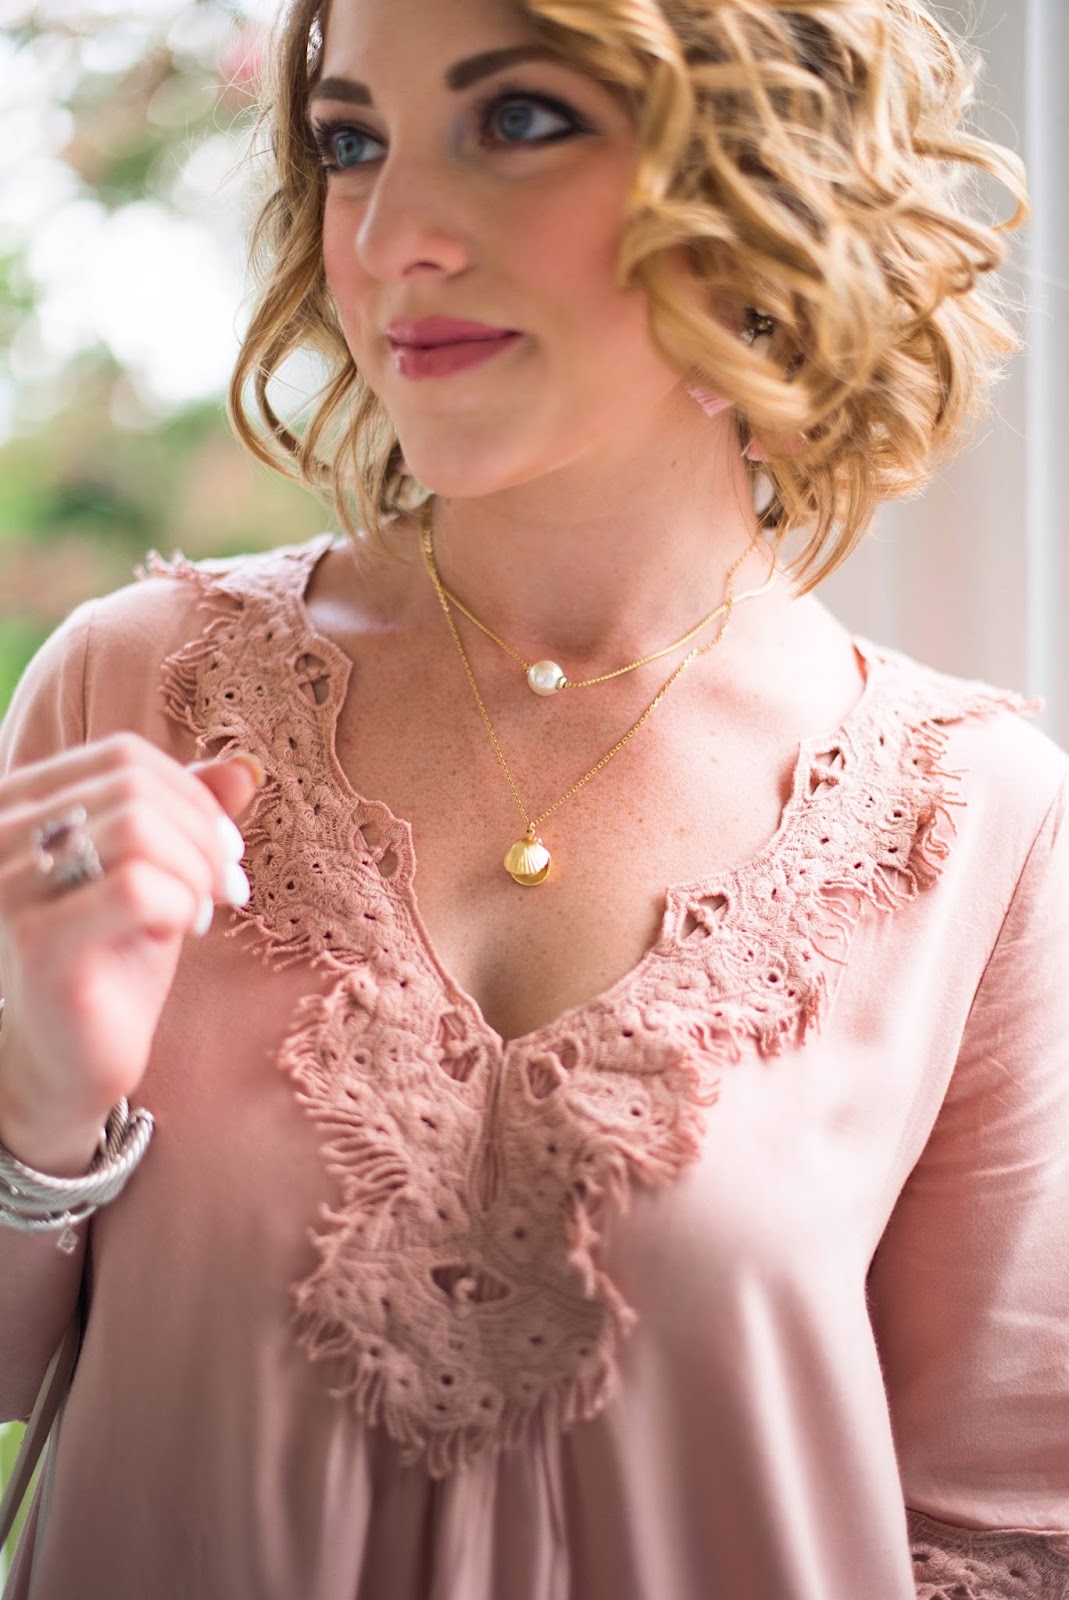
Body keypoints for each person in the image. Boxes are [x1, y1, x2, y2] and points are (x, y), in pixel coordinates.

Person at [0, 0, 1067, 1594]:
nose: (391, 237)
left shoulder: (976, 822)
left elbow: (997, 1534)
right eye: (351, 141)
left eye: (517, 121)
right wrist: (33, 1100)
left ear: (766, 173)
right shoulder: (135, 692)